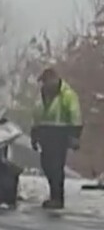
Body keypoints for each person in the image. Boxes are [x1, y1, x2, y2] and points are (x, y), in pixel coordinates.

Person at [30, 68, 83, 209]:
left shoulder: (67, 95)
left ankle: (57, 198)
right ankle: (54, 195)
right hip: (45, 133)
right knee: (46, 165)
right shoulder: (42, 95)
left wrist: (74, 136)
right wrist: (34, 136)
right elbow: (37, 115)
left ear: (53, 80)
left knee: (56, 167)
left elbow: (75, 115)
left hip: (60, 133)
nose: (44, 85)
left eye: (45, 81)